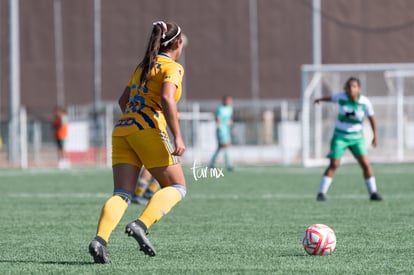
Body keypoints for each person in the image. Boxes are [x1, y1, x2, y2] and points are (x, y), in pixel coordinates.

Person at [88, 21, 187, 264]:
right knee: (177, 187)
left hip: (123, 129)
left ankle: (100, 241)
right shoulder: (173, 67)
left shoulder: (143, 66)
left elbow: (123, 100)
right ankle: (141, 224)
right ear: (177, 43)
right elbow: (166, 97)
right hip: (147, 129)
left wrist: (136, 119)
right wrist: (177, 135)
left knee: (122, 193)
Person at [314, 76, 383, 202]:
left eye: (354, 86)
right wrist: (320, 99)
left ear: (359, 89)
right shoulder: (341, 98)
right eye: (349, 86)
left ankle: (373, 192)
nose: (351, 89)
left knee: (366, 164)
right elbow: (331, 98)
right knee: (334, 164)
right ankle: (321, 193)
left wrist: (375, 136)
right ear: (345, 89)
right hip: (340, 137)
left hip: (357, 138)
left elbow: (372, 119)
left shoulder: (365, 103)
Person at [209, 95, 234, 171]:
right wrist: (219, 128)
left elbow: (229, 120)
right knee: (226, 146)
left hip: (227, 130)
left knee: (219, 148)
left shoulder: (230, 109)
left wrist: (231, 126)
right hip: (221, 130)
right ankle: (229, 164)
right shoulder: (220, 109)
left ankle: (211, 163)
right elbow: (218, 120)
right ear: (224, 101)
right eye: (228, 100)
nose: (229, 102)